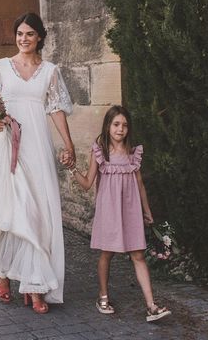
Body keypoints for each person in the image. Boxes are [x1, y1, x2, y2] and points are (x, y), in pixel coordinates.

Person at [0, 12, 75, 314]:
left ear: (40, 38)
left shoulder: (50, 71)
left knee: (38, 212)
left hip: (36, 147)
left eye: (30, 34)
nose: (24, 39)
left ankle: (34, 283)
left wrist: (68, 142)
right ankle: (2, 273)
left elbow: (56, 109)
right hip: (6, 147)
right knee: (9, 208)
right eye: (20, 34)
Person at [68, 105, 171, 322]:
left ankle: (151, 306)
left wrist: (147, 211)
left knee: (138, 254)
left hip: (131, 209)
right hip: (109, 211)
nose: (120, 129)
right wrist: (72, 168)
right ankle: (103, 296)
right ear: (107, 126)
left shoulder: (133, 153)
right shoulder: (100, 151)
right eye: (116, 124)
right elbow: (87, 183)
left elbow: (140, 183)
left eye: (124, 125)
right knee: (107, 253)